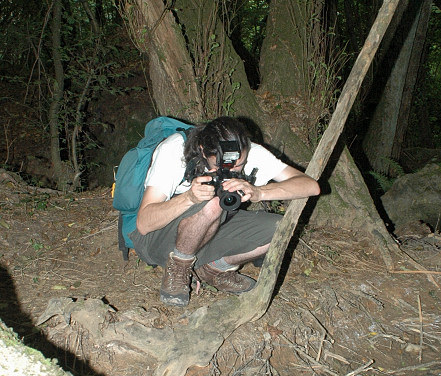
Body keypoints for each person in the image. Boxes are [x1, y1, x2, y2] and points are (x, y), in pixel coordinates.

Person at [131, 117, 320, 306]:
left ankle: (214, 269)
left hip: (208, 235)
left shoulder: (253, 153)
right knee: (213, 204)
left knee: (280, 228)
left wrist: (259, 192)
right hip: (156, 241)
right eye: (218, 166)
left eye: (238, 165)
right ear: (203, 151)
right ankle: (180, 268)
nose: (231, 170)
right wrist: (188, 198)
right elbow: (144, 223)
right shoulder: (174, 150)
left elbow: (310, 186)